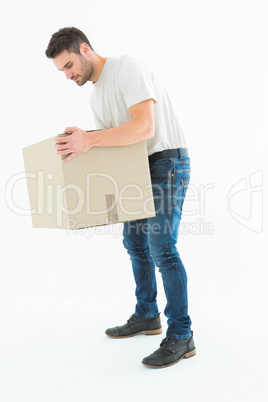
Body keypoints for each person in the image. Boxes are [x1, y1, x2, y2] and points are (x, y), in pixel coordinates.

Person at [45, 27, 196, 368]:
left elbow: (144, 128)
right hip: (138, 168)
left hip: (167, 162)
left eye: (69, 66)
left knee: (163, 249)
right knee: (135, 242)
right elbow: (115, 147)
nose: (68, 75)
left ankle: (182, 334)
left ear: (84, 49)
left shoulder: (128, 69)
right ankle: (147, 314)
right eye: (62, 71)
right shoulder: (96, 95)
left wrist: (91, 140)